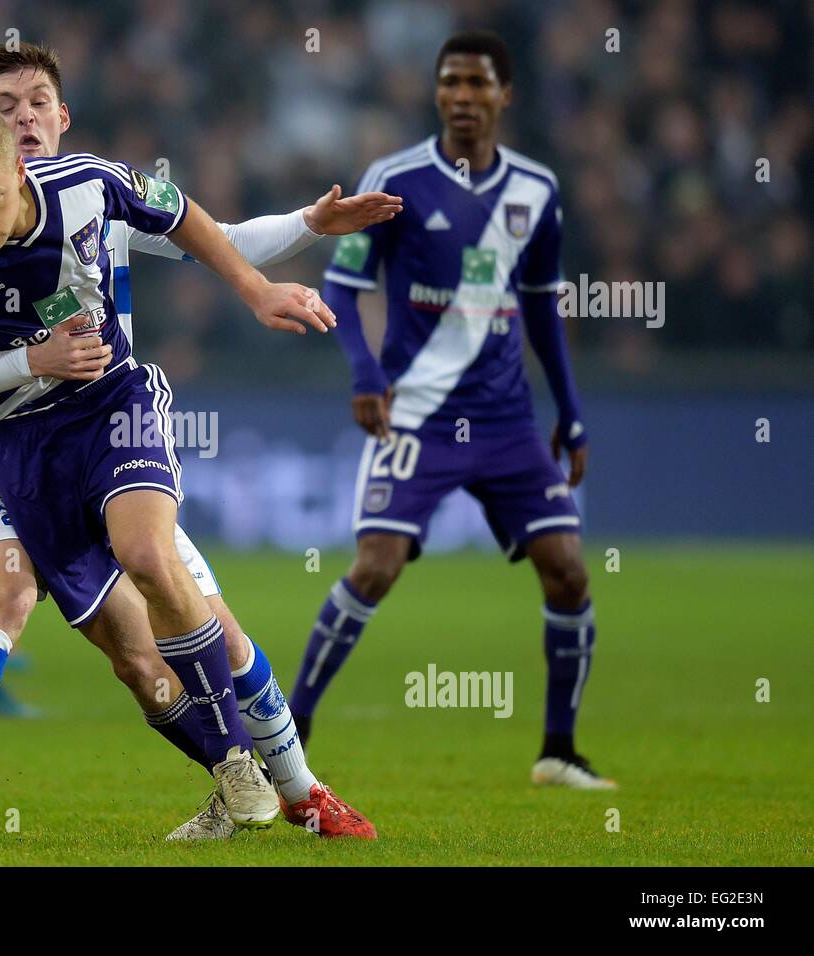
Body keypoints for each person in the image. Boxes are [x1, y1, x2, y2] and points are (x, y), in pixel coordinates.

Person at [0, 42, 402, 846]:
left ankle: (299, 792)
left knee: (212, 628)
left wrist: (307, 224)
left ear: (63, 117)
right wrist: (34, 360)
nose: (24, 115)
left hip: (98, 427)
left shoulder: (91, 193)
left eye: (38, 100)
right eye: (6, 104)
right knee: (85, 636)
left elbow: (213, 234)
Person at [289, 30, 615, 790]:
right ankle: (288, 736)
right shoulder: (397, 178)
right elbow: (342, 283)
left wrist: (570, 411)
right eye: (450, 84)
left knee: (567, 571)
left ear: (505, 96)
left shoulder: (537, 190)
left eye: (477, 84)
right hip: (415, 414)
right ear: (437, 93)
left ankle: (559, 752)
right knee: (374, 568)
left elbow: (540, 307)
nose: (462, 98)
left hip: (507, 423)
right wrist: (364, 372)